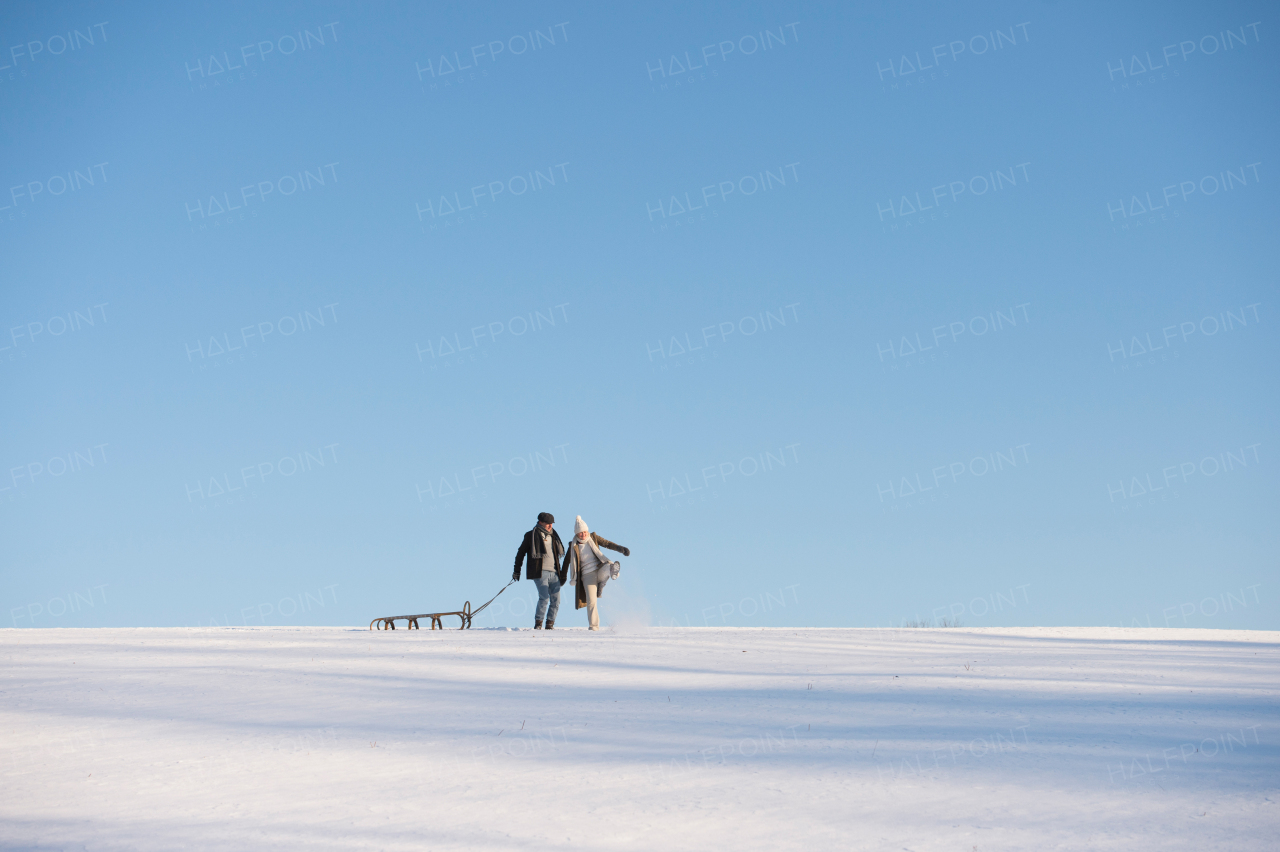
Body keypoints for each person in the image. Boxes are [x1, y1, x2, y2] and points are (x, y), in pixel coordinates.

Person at [563, 516, 630, 630]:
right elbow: (566, 562)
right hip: (587, 575)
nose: (583, 535)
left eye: (584, 532)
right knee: (591, 601)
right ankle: (594, 627)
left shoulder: (593, 537)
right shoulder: (573, 546)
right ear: (576, 534)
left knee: (608, 565)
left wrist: (620, 548)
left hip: (599, 568)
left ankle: (612, 570)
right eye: (580, 533)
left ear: (587, 531)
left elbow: (607, 543)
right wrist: (562, 576)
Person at [513, 512, 565, 629]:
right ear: (540, 522)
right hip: (540, 572)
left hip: (555, 572)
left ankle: (550, 624)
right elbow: (520, 553)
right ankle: (538, 623)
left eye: (551, 524)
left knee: (556, 600)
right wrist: (517, 570)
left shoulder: (554, 536)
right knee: (544, 597)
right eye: (548, 523)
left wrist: (562, 573)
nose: (550, 526)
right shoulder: (531, 535)